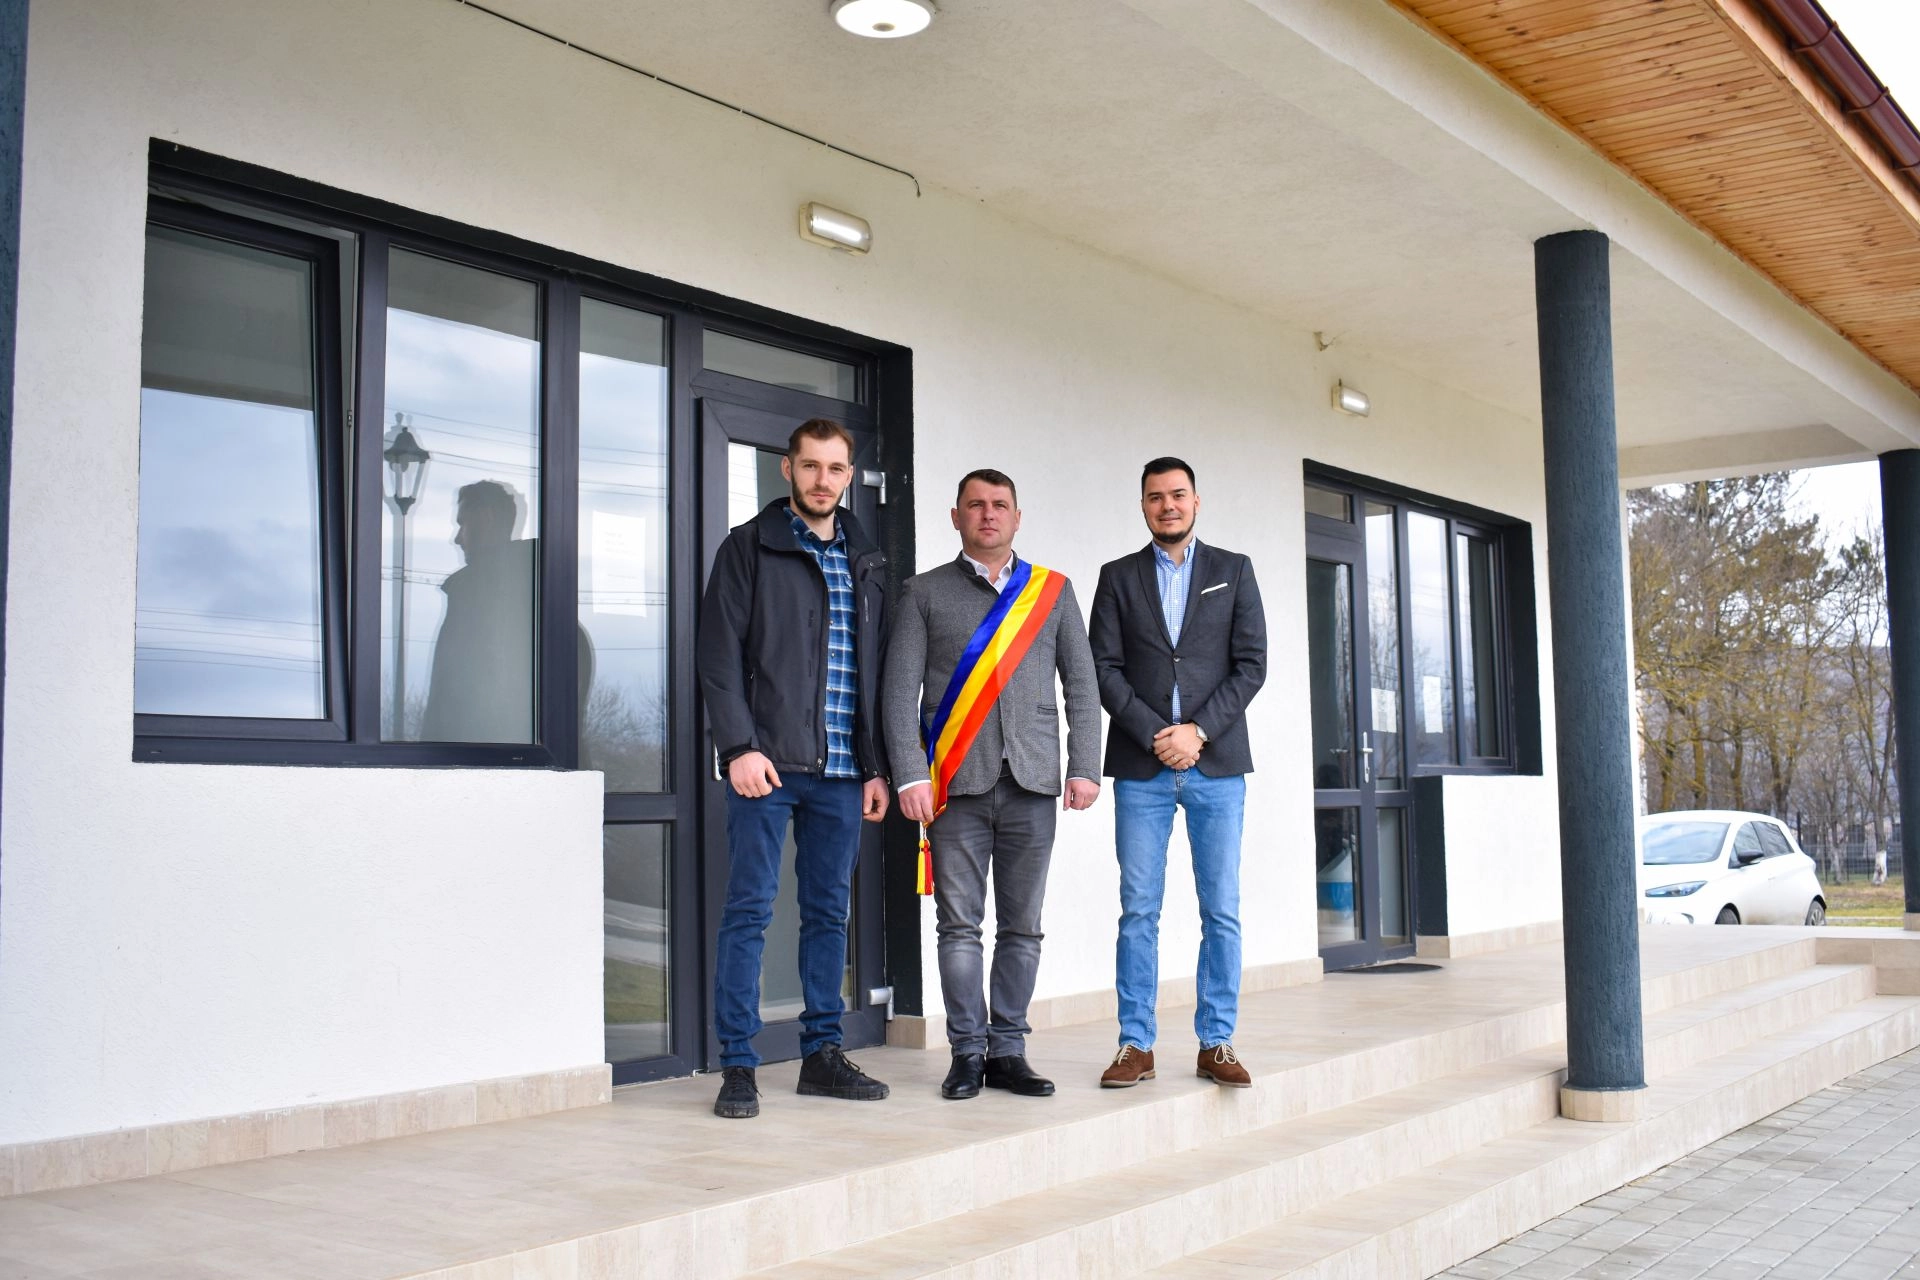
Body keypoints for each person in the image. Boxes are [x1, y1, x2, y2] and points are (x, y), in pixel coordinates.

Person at [883, 469, 1101, 1101]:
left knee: (1023, 927)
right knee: (958, 927)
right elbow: (899, 694)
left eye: (999, 505)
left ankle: (1008, 1051)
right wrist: (909, 773)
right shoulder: (922, 592)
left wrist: (1084, 765)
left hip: (1033, 780)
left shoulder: (1053, 591)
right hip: (954, 785)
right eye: (975, 505)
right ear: (956, 517)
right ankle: (967, 1053)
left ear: (1017, 517)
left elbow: (1082, 684)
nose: (988, 514)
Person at [697, 419, 892, 1120]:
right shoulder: (748, 546)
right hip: (767, 768)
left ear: (849, 476)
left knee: (828, 914)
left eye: (835, 469)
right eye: (811, 466)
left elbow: (874, 672)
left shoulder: (866, 559)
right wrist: (737, 748)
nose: (822, 480)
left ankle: (821, 1055)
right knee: (749, 911)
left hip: (842, 772)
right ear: (788, 469)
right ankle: (738, 1064)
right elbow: (718, 655)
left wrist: (875, 766)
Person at [1088, 457, 1267, 1089]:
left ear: (1196, 501)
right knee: (1138, 909)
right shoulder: (1117, 576)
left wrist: (1198, 731)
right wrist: (1155, 735)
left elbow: (1251, 664)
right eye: (1156, 496)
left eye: (1178, 494)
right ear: (1143, 505)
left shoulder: (1233, 571)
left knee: (1221, 909)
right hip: (1142, 766)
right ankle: (1134, 1044)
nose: (1168, 505)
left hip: (1217, 763)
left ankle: (1216, 1041)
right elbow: (1103, 668)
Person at [421, 480, 536, 743]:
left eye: (463, 524)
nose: (457, 538)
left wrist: (429, 753)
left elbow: (449, 694)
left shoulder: (473, 594)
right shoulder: (542, 591)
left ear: (486, 518)